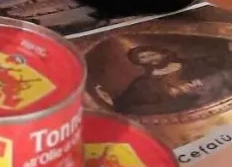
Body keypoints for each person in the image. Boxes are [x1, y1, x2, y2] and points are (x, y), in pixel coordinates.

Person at [97, 42, 232, 116]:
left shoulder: (196, 63)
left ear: (161, 52)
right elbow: (127, 106)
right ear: (140, 63)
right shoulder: (143, 84)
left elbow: (225, 66)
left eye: (151, 54)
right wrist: (110, 101)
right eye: (143, 58)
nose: (151, 59)